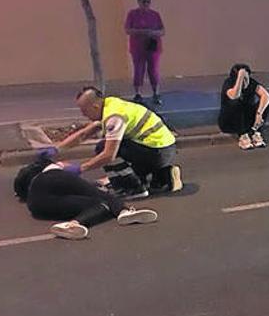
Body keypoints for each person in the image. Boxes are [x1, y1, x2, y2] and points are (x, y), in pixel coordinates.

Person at [48, 87, 182, 199]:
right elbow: (83, 134)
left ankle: (133, 189)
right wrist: (56, 149)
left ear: (94, 107)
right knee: (122, 151)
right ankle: (163, 175)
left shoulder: (114, 117)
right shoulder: (110, 104)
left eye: (84, 111)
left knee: (103, 147)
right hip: (162, 146)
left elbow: (108, 155)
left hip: (157, 151)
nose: (83, 115)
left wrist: (80, 168)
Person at [14, 155, 158, 240]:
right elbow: (88, 189)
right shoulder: (55, 169)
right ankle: (124, 211)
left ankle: (70, 225)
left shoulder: (31, 180)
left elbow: (79, 193)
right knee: (101, 197)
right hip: (52, 180)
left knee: (96, 205)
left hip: (36, 206)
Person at [218, 64, 269, 150]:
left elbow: (266, 96)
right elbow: (234, 96)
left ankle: (256, 133)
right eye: (243, 79)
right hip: (230, 122)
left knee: (265, 103)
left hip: (246, 119)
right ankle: (243, 136)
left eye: (247, 78)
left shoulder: (251, 82)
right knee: (236, 103)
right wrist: (240, 79)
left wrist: (259, 113)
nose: (246, 82)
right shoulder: (228, 83)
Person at [125, 0, 166, 105]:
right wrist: (142, 32)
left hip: (153, 46)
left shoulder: (155, 15)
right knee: (138, 69)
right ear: (139, 2)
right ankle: (138, 93)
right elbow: (128, 29)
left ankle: (156, 93)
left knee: (153, 70)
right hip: (138, 47)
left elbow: (162, 30)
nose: (146, 4)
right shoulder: (132, 14)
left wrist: (152, 33)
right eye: (144, 1)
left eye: (148, 1)